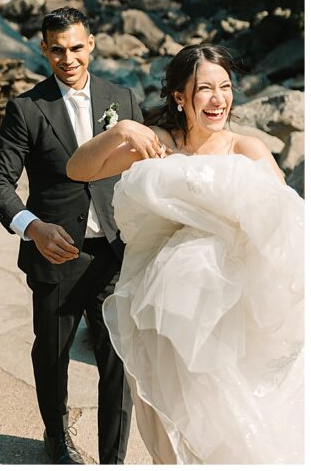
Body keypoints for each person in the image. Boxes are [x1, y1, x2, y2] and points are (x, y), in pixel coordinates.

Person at [66, 43, 303, 464]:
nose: (219, 99)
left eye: (226, 87)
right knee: (168, 434)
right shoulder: (156, 143)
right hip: (155, 316)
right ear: (180, 96)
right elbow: (78, 169)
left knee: (223, 428)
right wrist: (120, 131)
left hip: (223, 322)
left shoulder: (246, 151)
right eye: (205, 88)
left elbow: (288, 229)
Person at [0, 7, 135, 464]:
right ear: (44, 50)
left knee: (118, 360)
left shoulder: (123, 99)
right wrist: (32, 226)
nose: (67, 58)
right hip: (56, 254)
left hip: (113, 251)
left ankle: (113, 457)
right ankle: (55, 435)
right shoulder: (27, 108)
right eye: (56, 50)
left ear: (91, 44)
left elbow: (145, 169)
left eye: (75, 47)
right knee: (51, 355)